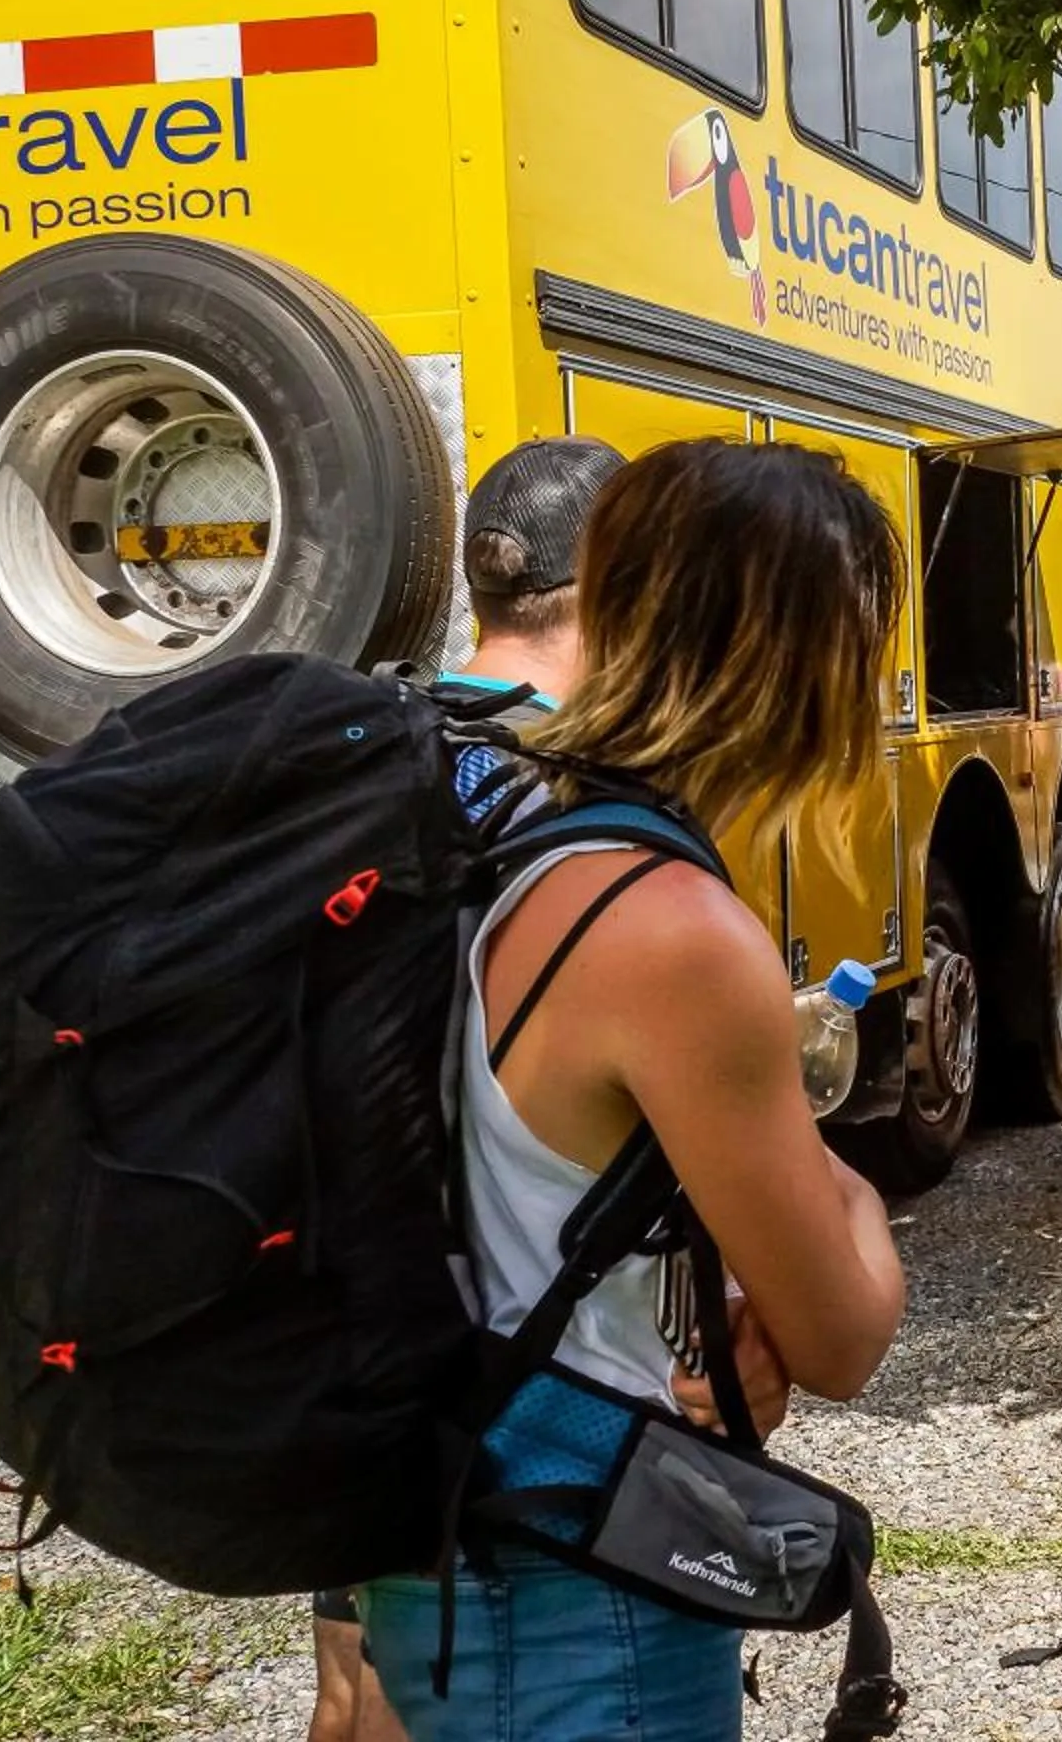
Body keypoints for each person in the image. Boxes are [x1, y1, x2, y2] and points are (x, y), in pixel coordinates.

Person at [356, 440, 911, 1742]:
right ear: (802, 673)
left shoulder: (510, 834)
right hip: (569, 1587)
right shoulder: (672, 929)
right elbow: (839, 1333)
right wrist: (850, 1202)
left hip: (444, 1537)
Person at [309, 438, 626, 1742]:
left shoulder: (354, 744)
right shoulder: (568, 794)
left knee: (356, 1690)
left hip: (328, 1296)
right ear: (616, 582)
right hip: (503, 1351)